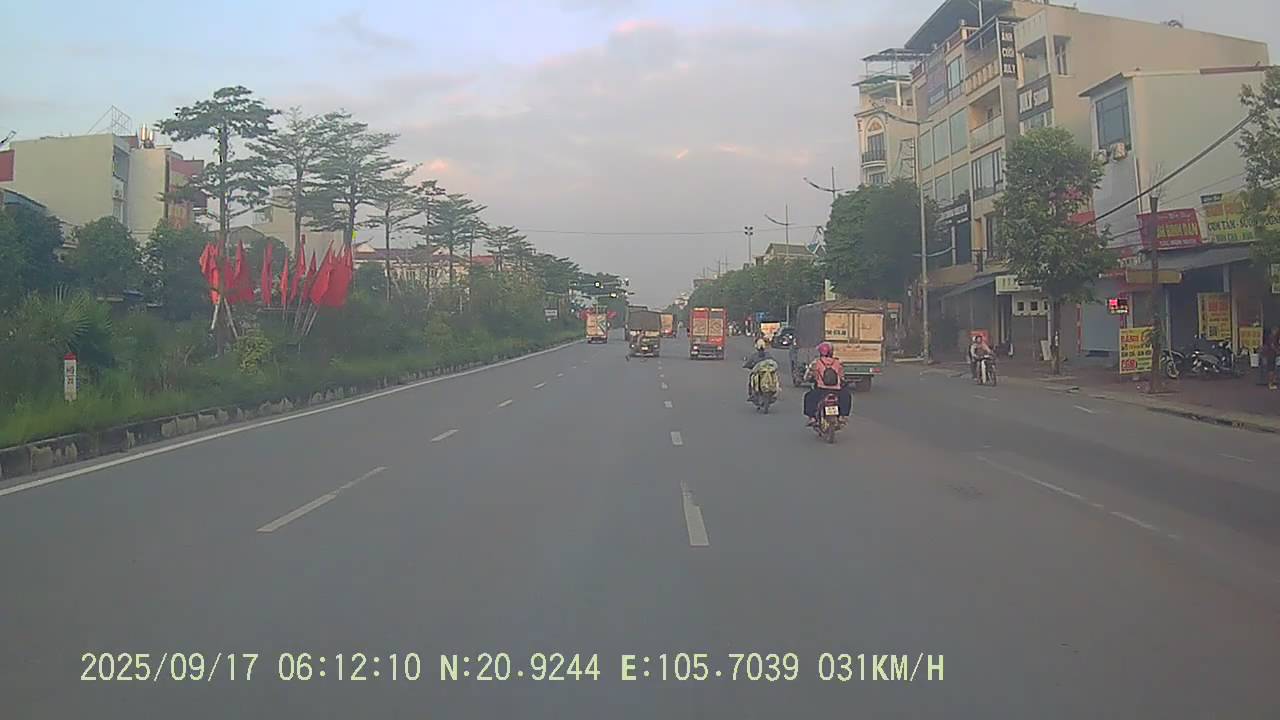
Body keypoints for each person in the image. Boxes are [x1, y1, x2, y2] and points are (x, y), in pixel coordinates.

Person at [803, 342, 851, 424]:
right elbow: (842, 377)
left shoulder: (816, 363)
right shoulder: (837, 362)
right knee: (847, 396)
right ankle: (842, 416)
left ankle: (812, 418)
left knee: (808, 397)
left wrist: (808, 378)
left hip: (821, 390)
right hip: (836, 390)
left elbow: (808, 376)